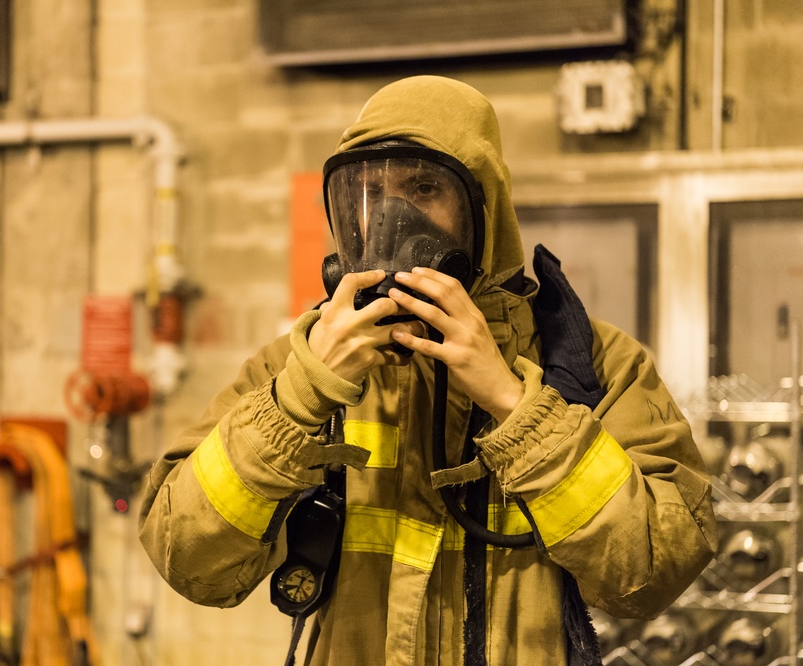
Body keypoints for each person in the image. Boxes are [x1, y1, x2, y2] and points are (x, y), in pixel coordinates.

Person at [139, 75, 717, 665]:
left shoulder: (594, 363)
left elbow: (654, 571)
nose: (390, 217)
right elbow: (185, 558)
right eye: (369, 191)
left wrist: (517, 406)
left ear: (481, 211)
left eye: (422, 188)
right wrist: (297, 401)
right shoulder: (296, 367)